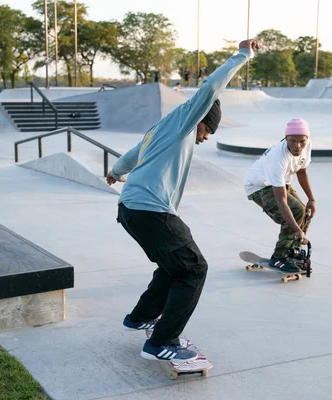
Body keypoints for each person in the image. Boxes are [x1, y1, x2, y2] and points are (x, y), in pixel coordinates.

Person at [107, 39, 259, 362]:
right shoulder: (184, 122)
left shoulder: (158, 129)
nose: (204, 138)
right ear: (202, 119)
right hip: (150, 210)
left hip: (130, 209)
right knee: (194, 269)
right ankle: (162, 341)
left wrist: (114, 171)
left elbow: (135, 152)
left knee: (173, 264)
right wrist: (243, 54)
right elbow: (211, 87)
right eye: (208, 132)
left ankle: (139, 317)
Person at [243, 118, 316, 272]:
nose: (297, 146)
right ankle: (279, 257)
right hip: (259, 186)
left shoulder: (306, 145)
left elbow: (302, 172)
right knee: (294, 212)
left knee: (304, 212)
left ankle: (292, 252)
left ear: (307, 139)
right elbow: (282, 202)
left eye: (302, 141)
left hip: (281, 181)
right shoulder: (278, 158)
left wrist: (311, 199)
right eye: (292, 141)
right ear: (285, 139)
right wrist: (297, 229)